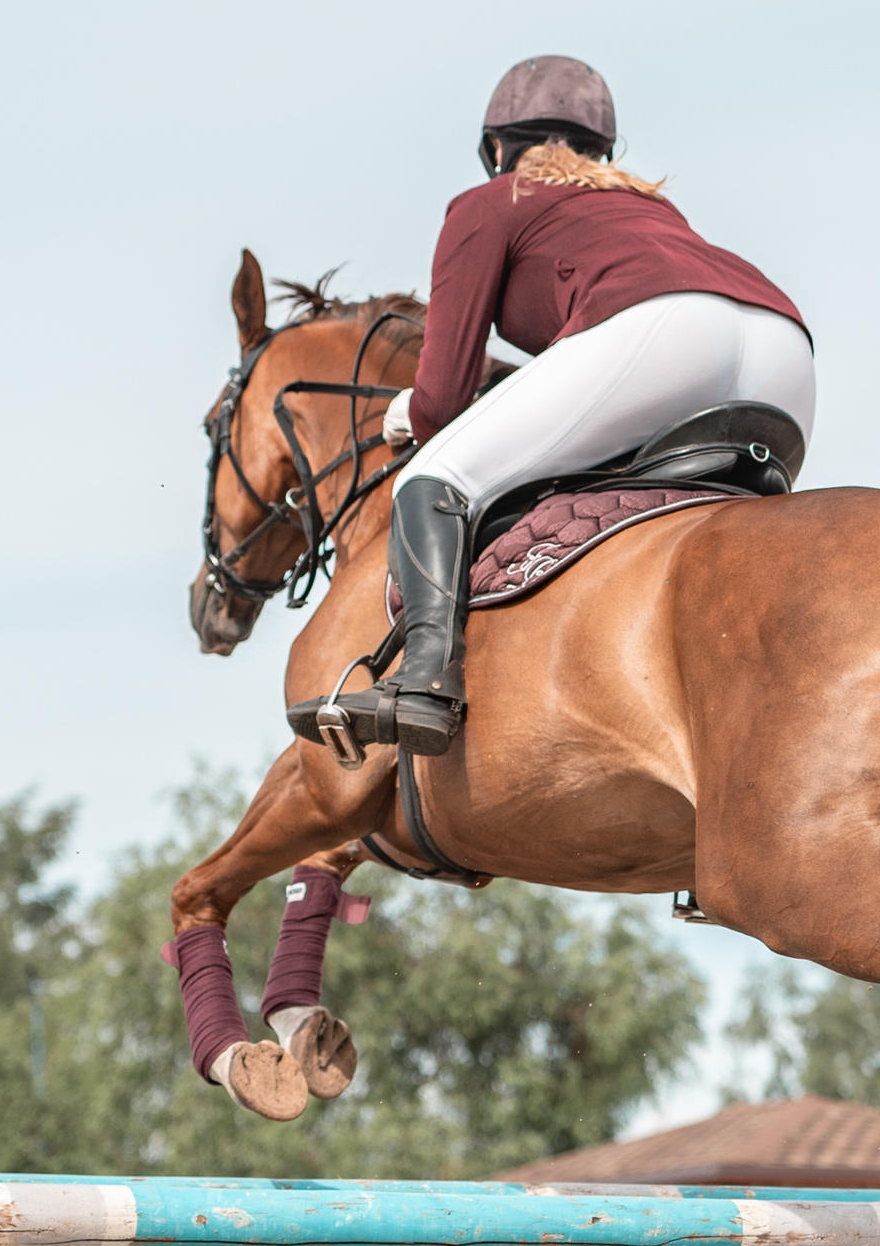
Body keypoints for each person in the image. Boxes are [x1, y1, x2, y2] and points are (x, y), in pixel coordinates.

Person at [307, 55, 813, 757]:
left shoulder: (489, 203)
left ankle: (423, 682)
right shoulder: (650, 205)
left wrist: (406, 417)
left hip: (664, 331)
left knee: (432, 479)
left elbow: (443, 397)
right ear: (603, 152)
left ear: (496, 149)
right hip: (784, 345)